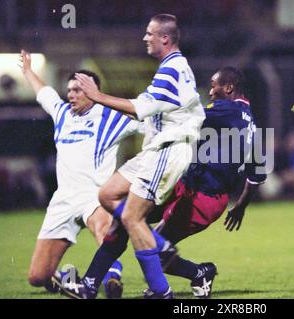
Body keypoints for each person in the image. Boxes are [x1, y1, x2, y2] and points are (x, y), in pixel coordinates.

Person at [61, 66, 265, 299]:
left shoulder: (224, 110)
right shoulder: (253, 124)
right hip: (185, 186)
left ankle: (199, 273)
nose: (210, 92)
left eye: (214, 85)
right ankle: (89, 285)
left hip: (203, 197)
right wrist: (240, 206)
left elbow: (174, 115)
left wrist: (105, 100)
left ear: (228, 88)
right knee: (127, 220)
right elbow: (257, 175)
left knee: (152, 247)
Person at [61, 14, 205, 299]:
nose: (145, 38)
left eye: (150, 33)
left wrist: (97, 96)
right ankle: (147, 248)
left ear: (165, 38)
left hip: (168, 150)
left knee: (130, 218)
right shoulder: (172, 67)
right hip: (156, 150)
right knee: (108, 195)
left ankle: (160, 291)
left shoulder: (172, 69)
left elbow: (142, 108)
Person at [19, 50, 141, 297]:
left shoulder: (112, 117)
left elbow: (149, 118)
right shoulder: (62, 113)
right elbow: (45, 94)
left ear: (94, 93)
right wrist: (29, 71)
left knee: (104, 229)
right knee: (37, 277)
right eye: (70, 89)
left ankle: (112, 275)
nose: (71, 94)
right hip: (63, 199)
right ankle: (67, 278)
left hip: (95, 195)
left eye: (79, 89)